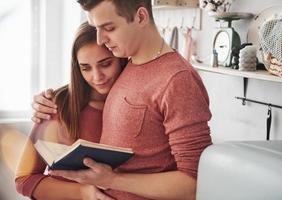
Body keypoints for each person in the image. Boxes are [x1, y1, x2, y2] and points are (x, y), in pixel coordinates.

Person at [32, 0, 213, 199]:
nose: (100, 40)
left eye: (108, 28)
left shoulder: (177, 80)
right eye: (96, 28)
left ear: (141, 17)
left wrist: (111, 180)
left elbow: (195, 185)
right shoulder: (127, 64)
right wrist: (50, 98)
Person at [15, 21, 127, 200]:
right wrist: (83, 193)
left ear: (120, 59)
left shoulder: (135, 103)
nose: (97, 77)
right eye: (86, 68)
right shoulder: (56, 105)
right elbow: (24, 179)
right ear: (77, 68)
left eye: (105, 64)